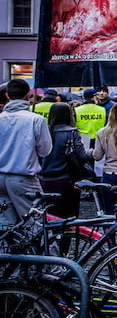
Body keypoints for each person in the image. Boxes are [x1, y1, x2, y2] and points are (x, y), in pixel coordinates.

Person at [0, 79, 52, 227]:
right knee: (35, 223)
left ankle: (7, 251)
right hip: (23, 179)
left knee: (6, 226)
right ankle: (43, 251)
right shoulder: (36, 120)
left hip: (0, 178)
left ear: (8, 95)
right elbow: (45, 151)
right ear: (27, 96)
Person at [38, 103, 92, 218]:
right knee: (69, 216)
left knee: (51, 215)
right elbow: (83, 156)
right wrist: (91, 152)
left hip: (45, 179)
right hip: (66, 179)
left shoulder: (44, 131)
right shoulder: (72, 132)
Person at [92, 102, 117, 213]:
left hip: (108, 173)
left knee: (108, 208)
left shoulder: (102, 133)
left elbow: (97, 156)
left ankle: (109, 229)